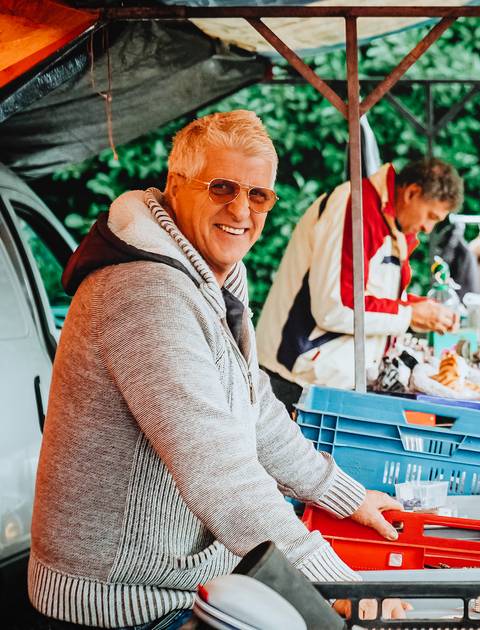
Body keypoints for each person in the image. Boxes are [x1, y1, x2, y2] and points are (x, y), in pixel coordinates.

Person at [30, 111, 403, 629]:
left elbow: (256, 411)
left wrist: (346, 496)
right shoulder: (144, 291)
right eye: (223, 188)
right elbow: (217, 469)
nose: (241, 209)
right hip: (120, 602)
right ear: (176, 186)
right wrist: (329, 584)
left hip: (177, 583)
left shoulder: (211, 274)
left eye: (259, 196)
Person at [256, 157, 464, 409]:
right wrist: (410, 314)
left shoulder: (383, 220)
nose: (429, 228)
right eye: (431, 216)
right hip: (295, 380)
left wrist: (419, 308)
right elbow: (337, 306)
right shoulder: (356, 209)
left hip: (321, 380)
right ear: (412, 192)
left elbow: (369, 298)